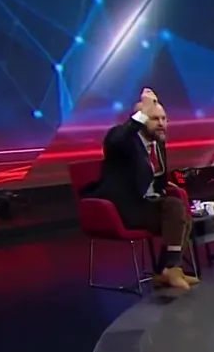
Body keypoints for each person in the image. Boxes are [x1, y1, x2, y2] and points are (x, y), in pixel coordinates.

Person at [84, 88, 198, 290]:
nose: (161, 123)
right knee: (174, 208)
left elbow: (158, 179)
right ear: (141, 119)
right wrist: (144, 110)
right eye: (154, 118)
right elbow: (118, 139)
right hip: (125, 208)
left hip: (148, 204)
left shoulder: (157, 143)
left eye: (164, 119)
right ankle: (170, 269)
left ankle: (166, 270)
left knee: (181, 213)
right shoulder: (122, 141)